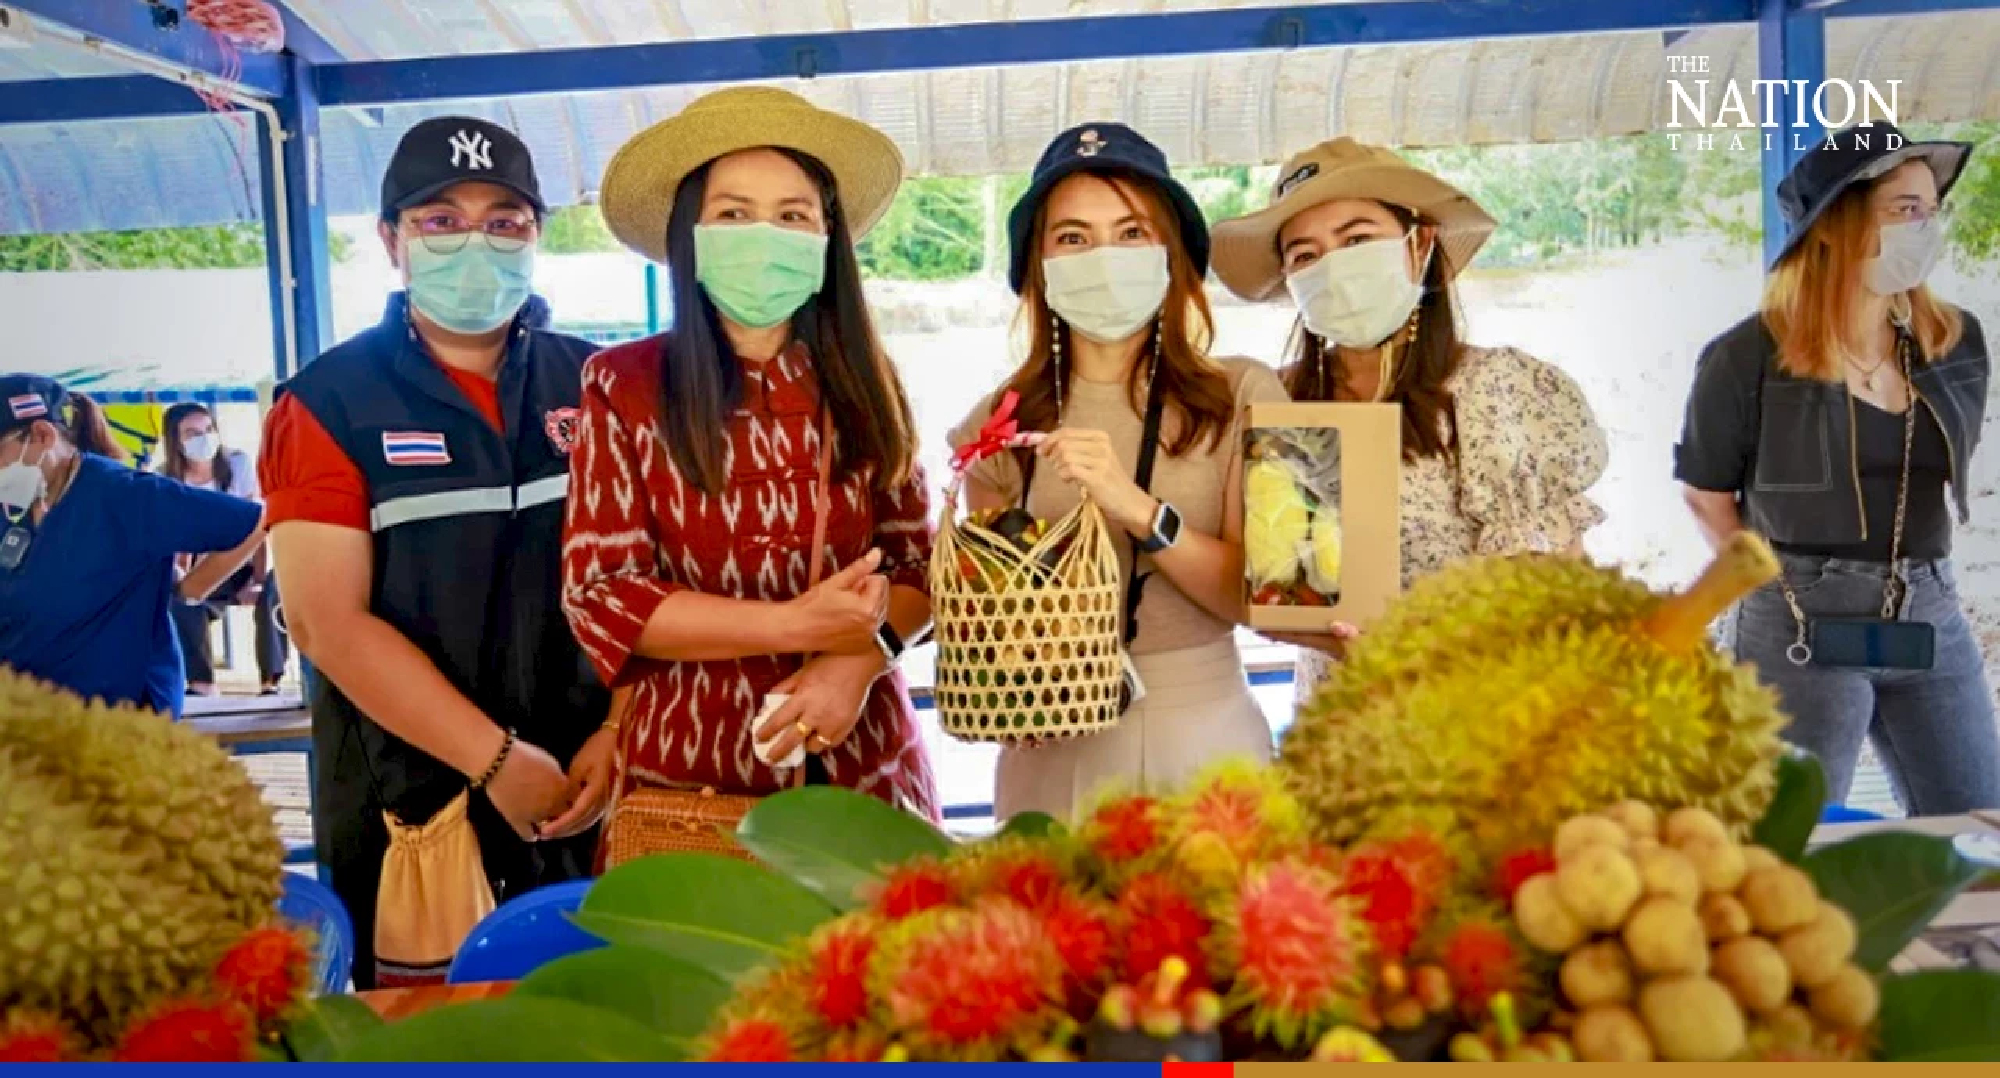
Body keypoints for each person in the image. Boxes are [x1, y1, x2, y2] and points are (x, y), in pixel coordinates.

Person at [259, 117, 606, 986]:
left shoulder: (603, 385)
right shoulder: (328, 402)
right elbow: (326, 621)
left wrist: (621, 732)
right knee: (439, 1031)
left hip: (597, 785)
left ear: (536, 237)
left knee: (611, 1015)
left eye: (504, 221)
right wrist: (498, 761)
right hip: (416, 806)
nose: (474, 243)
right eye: (441, 221)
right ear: (392, 241)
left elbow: (649, 580)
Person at [559, 87, 940, 828]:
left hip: (865, 764)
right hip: (688, 775)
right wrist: (795, 626)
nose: (764, 236)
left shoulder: (867, 379)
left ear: (826, 239)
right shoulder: (623, 383)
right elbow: (604, 594)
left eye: (792, 216)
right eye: (733, 214)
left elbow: (920, 566)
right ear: (691, 235)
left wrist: (857, 664)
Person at [947, 123, 1288, 822]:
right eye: (1073, 237)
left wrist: (1140, 510)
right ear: (1038, 265)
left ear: (1172, 254)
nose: (1104, 256)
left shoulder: (1245, 393)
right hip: (1051, 737)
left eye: (1132, 233)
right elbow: (986, 606)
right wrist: (1008, 682)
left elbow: (1265, 600)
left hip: (1205, 731)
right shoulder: (1000, 421)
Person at [1211, 138, 1608, 701]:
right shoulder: (1279, 402)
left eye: (1356, 240)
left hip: (1485, 712)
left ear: (1419, 243)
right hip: (1340, 714)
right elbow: (1280, 591)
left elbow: (1557, 588)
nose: (1333, 267)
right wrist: (1334, 638)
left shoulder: (1498, 390)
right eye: (1305, 255)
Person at [1675, 122, 1999, 813]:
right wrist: (1773, 587)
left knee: (1979, 821)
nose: (1925, 228)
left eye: (1931, 209)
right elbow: (1706, 496)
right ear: (1833, 225)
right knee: (1791, 835)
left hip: (1928, 606)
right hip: (1795, 617)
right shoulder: (1745, 356)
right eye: (1905, 209)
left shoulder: (1955, 342)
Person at [0, 376, 262, 717]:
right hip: (27, 707)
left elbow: (253, 522)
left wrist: (191, 590)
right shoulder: (17, 504)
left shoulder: (126, 495)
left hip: (115, 714)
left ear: (42, 436)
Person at [158, 402, 289, 696]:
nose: (203, 438)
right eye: (192, 433)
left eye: (208, 429)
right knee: (178, 596)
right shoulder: (164, 479)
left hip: (243, 564)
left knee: (275, 588)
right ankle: (201, 683)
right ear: (175, 441)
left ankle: (271, 681)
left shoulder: (237, 464)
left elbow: (259, 526)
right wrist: (186, 577)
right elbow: (176, 544)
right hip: (200, 568)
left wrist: (256, 580)